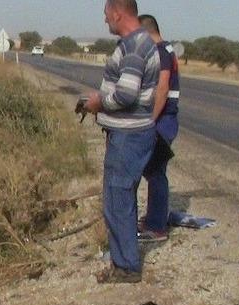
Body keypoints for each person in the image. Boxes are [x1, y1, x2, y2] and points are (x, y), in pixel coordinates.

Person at [83, 0, 160, 283]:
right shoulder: (135, 43)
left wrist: (97, 103)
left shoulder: (135, 46)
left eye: (106, 15)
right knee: (121, 199)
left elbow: (126, 95)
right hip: (130, 135)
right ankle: (123, 261)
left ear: (117, 12)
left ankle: (127, 266)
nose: (105, 21)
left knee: (118, 201)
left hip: (129, 138)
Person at [138, 14, 180, 242]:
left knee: (155, 171)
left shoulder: (161, 52)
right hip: (164, 119)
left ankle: (157, 227)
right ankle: (154, 218)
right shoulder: (167, 50)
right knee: (154, 170)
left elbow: (162, 89)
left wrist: (149, 120)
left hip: (163, 119)